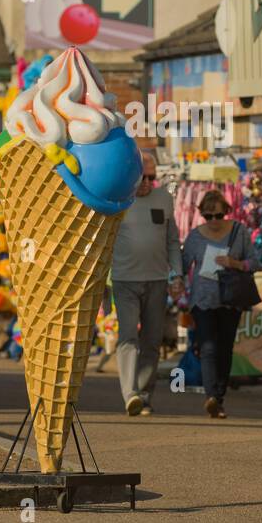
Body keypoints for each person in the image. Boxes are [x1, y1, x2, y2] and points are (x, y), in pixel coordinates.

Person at [111, 151, 183, 416]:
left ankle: (144, 395)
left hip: (157, 280)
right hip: (124, 280)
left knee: (152, 341)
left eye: (152, 177)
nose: (146, 182)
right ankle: (129, 394)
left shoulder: (164, 198)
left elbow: (172, 240)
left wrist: (177, 273)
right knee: (128, 337)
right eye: (142, 176)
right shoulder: (117, 198)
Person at [180, 190, 256, 419]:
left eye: (218, 215)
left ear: (226, 213)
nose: (213, 221)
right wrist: (176, 283)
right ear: (201, 214)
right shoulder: (195, 236)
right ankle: (211, 396)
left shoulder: (239, 232)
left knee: (225, 349)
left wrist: (235, 263)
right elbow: (183, 265)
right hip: (202, 301)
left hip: (231, 300)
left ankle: (219, 398)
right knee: (208, 348)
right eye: (208, 216)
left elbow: (256, 261)